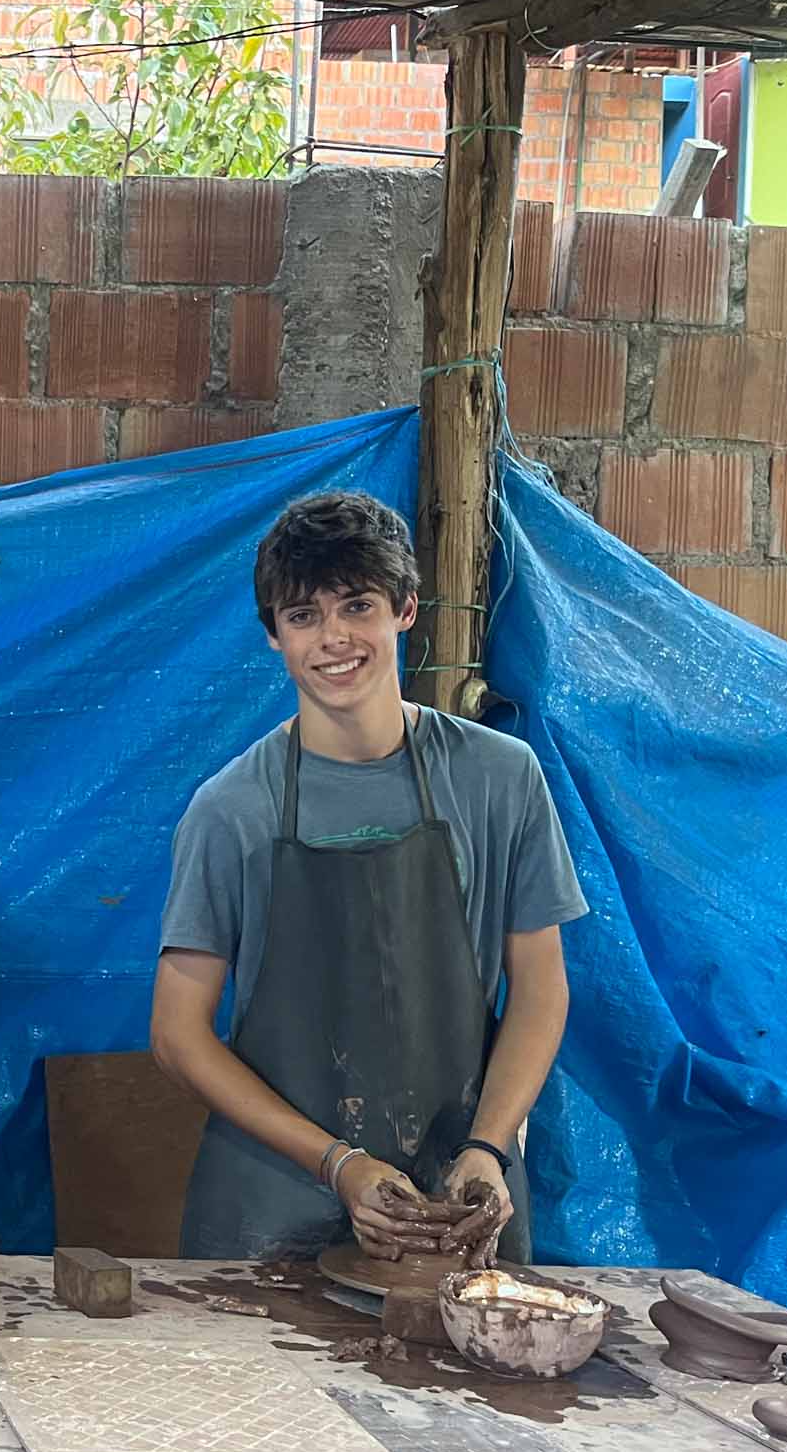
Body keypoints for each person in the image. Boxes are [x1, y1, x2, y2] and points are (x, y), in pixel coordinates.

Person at [151, 491, 588, 1267]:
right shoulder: (231, 810)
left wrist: (488, 1146)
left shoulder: (499, 779)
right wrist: (338, 1163)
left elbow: (542, 988)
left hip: (454, 1204)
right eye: (303, 616)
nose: (334, 638)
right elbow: (177, 1035)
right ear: (273, 636)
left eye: (357, 605)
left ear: (405, 609)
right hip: (272, 1215)